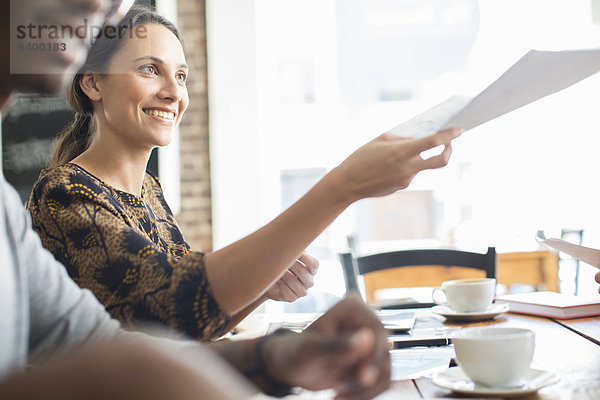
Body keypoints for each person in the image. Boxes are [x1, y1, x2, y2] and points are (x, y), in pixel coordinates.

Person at [0, 1, 461, 399]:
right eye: (148, 69)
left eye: (180, 75)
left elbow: (155, 336)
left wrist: (274, 341)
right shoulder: (66, 193)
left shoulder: (145, 193)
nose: (173, 92)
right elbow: (172, 310)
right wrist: (343, 186)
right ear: (93, 83)